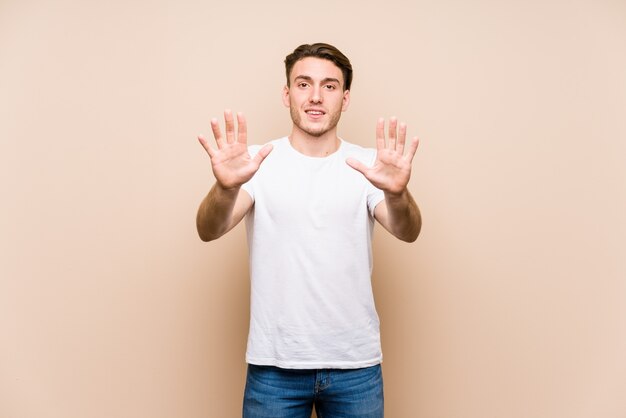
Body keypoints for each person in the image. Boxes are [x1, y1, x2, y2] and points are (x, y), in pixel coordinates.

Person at [196, 43, 421, 418]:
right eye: (304, 84)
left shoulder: (368, 164)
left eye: (330, 86)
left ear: (345, 98)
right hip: (274, 368)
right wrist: (226, 187)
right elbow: (209, 229)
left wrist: (397, 193)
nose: (316, 96)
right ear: (287, 93)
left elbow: (408, 230)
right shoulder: (256, 162)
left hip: (355, 367)